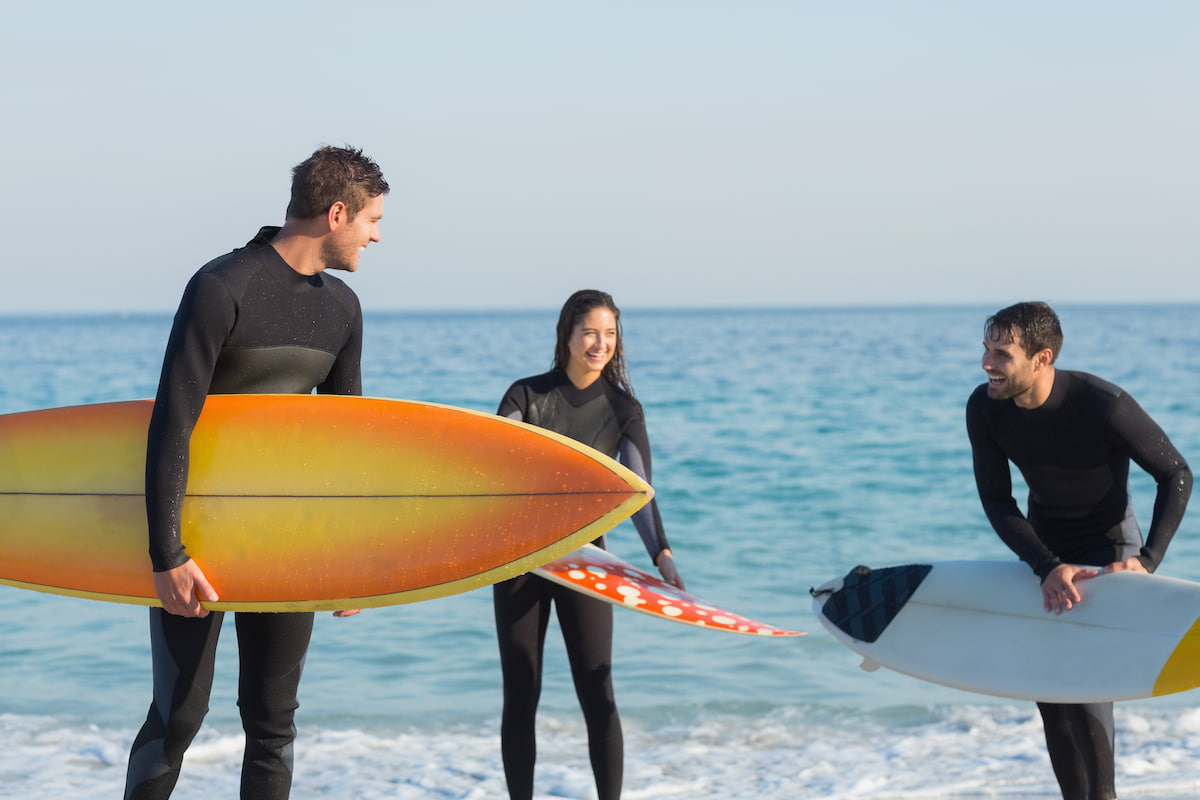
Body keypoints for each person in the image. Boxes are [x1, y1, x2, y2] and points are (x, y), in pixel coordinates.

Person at [125, 145, 388, 800]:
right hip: (199, 543)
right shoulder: (222, 287)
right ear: (337, 214)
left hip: (286, 540)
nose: (377, 236)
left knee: (273, 724)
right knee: (178, 717)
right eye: (373, 220)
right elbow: (172, 423)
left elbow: (341, 449)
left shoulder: (343, 309)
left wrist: (350, 557)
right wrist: (166, 553)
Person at [966, 301, 1192, 800]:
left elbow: (1176, 473)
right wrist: (1045, 564)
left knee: (1086, 686)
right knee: (1050, 690)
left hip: (1108, 544)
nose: (986, 364)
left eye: (1001, 354)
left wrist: (1147, 561)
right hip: (1047, 545)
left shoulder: (1102, 404)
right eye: (985, 350)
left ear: (1041, 358)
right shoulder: (985, 407)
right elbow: (997, 501)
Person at [492, 289, 684, 800]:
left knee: (598, 690)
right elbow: (494, 462)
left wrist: (661, 555)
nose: (601, 343)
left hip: (586, 561)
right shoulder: (526, 395)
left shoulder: (622, 408)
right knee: (521, 692)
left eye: (610, 334)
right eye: (591, 333)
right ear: (568, 335)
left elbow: (638, 491)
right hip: (521, 562)